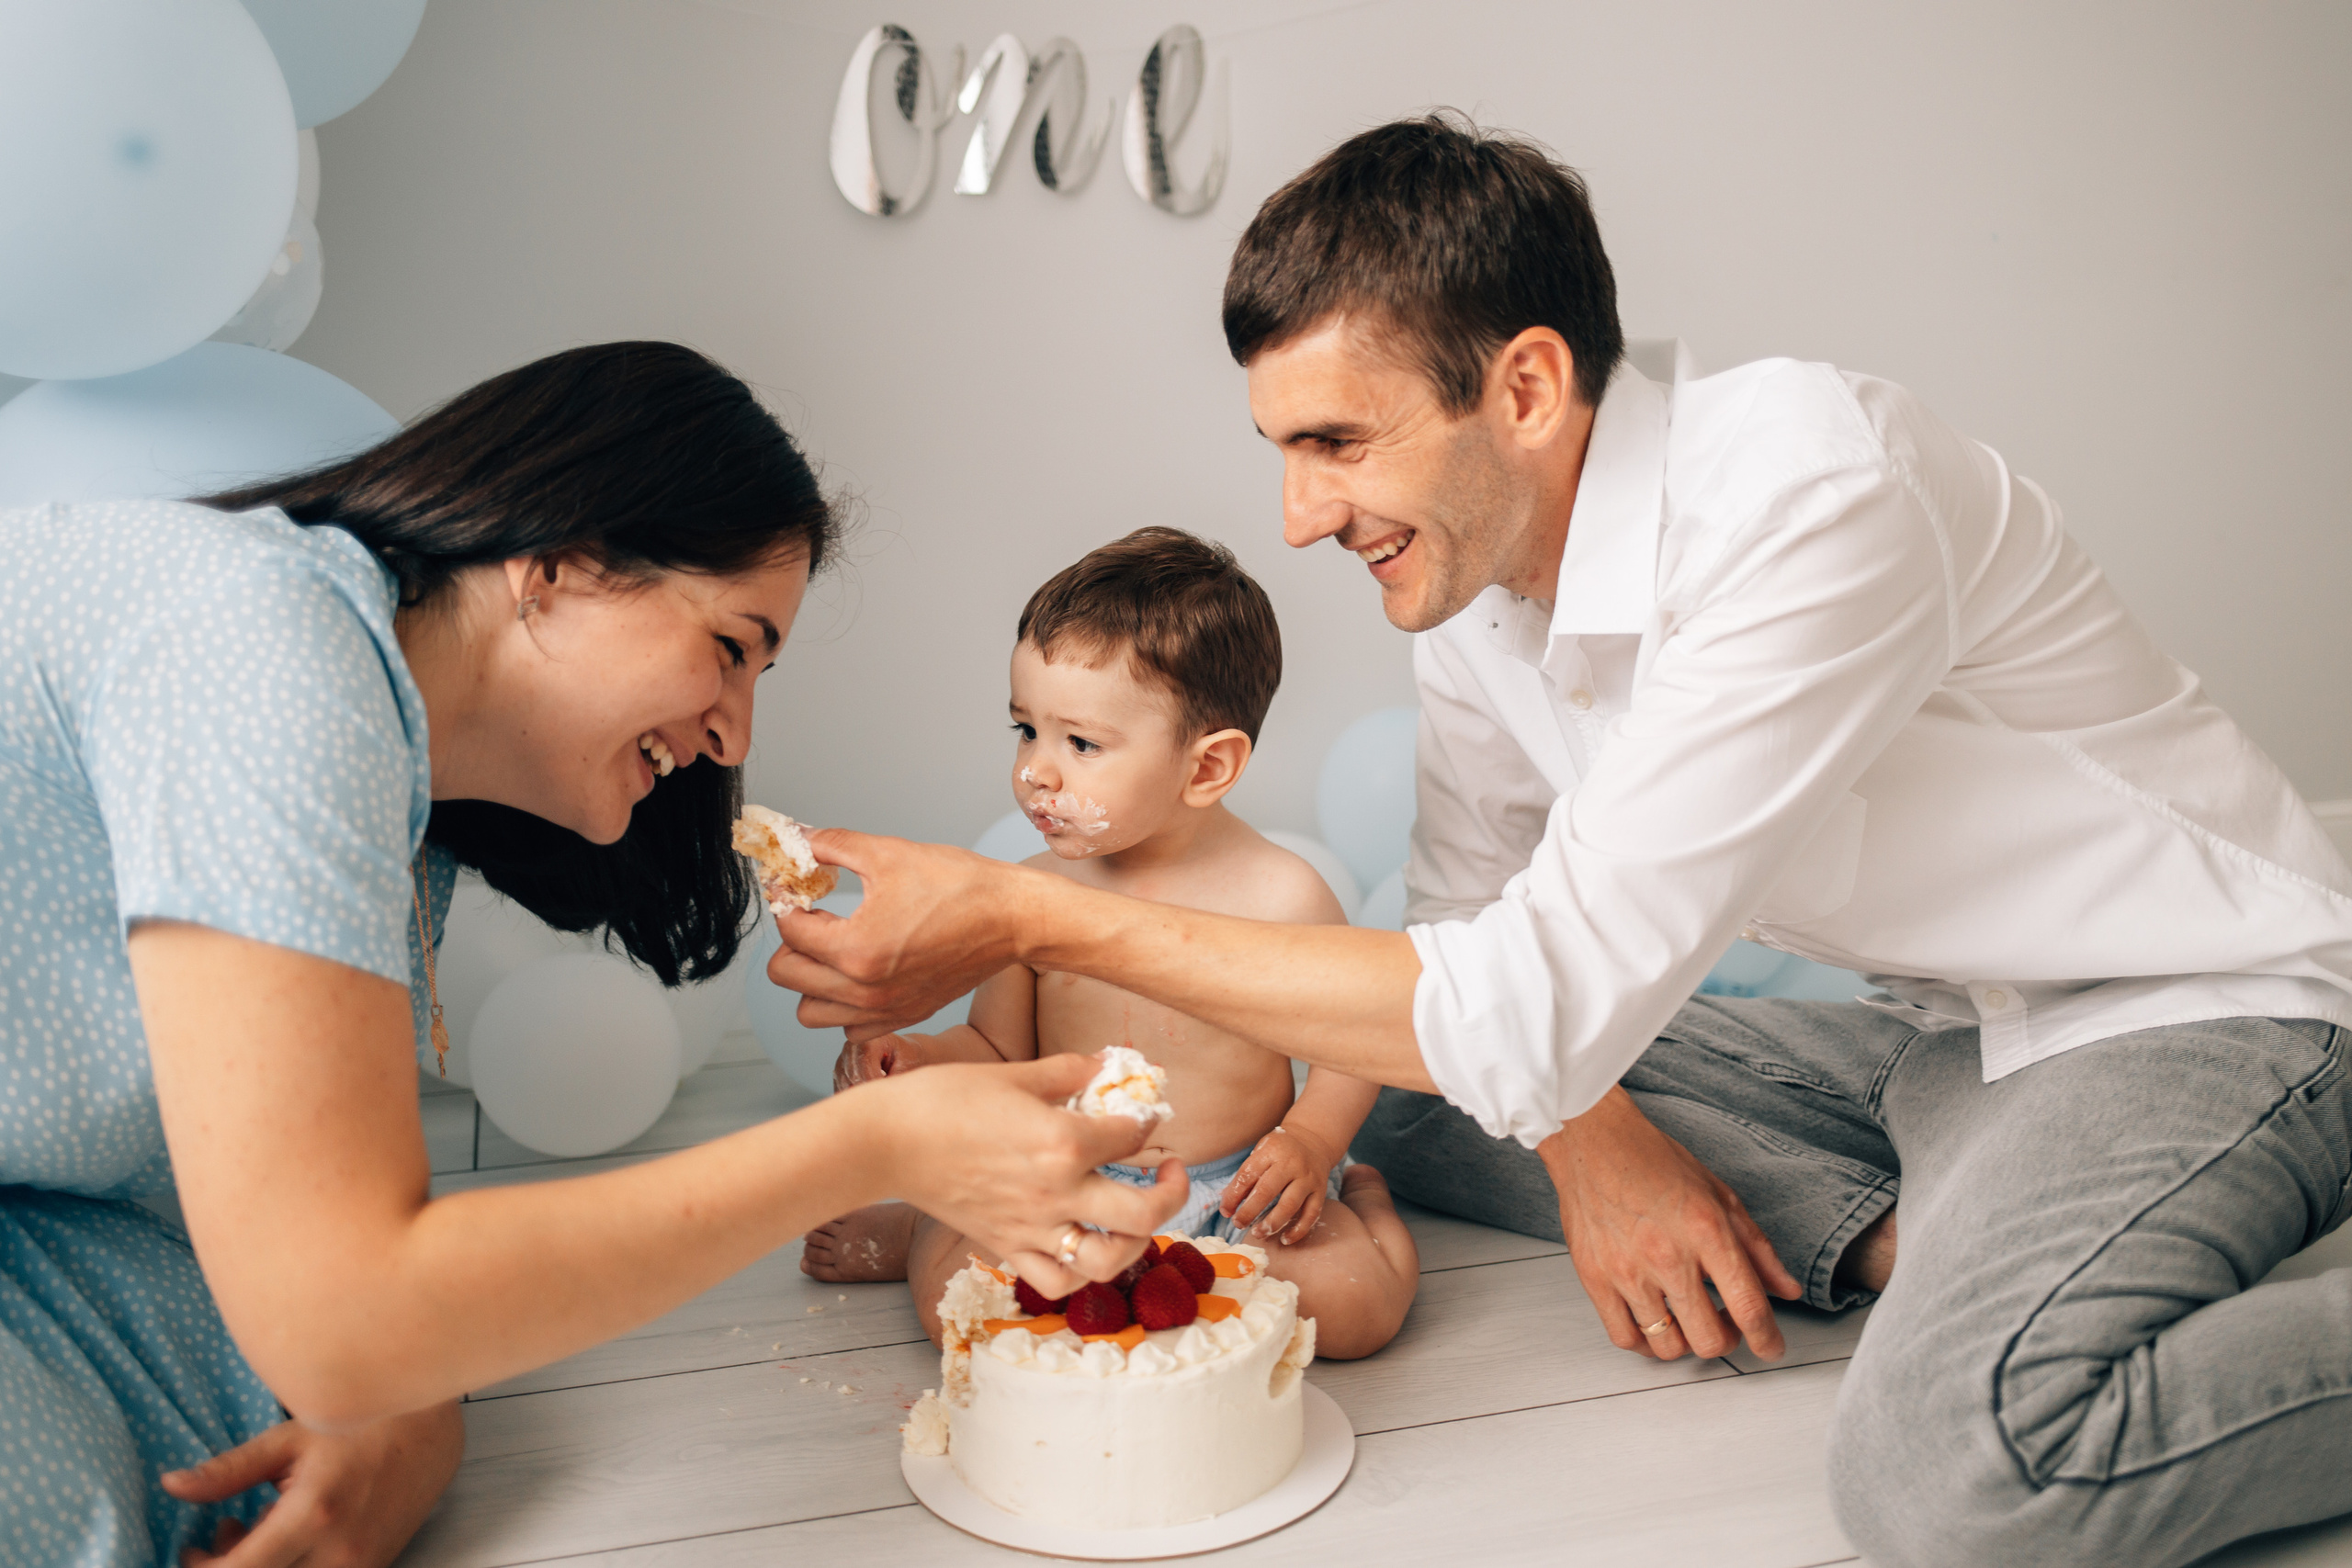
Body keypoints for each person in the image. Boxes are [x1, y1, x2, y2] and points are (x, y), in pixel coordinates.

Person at [766, 118, 2352, 1567]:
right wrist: (1599, 1155)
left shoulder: (1811, 488)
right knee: (1373, 1111)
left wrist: (1031, 917)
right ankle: (1914, 1237)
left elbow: (1515, 1004)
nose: (1302, 515)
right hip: (1943, 1041)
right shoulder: (1475, 597)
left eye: (1337, 442)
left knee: (1957, 1474)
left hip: (2191, 1015)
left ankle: (1987, 1243)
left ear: (1524, 388)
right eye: (1284, 451)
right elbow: (1467, 936)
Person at [0, 342, 1182, 1568]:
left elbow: (284, 1228)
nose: (738, 729)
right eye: (733, 644)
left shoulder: (389, 804)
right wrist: (874, 1143)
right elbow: (338, 1312)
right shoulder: (266, 652)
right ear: (557, 563)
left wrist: (411, 1408)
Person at [799, 527, 1419, 1357]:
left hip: (1236, 1191)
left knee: (1354, 1308)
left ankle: (1371, 1205)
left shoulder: (1280, 893)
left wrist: (1312, 1141)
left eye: (1080, 743)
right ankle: (926, 1220)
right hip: (1070, 1181)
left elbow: (1352, 1042)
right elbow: (996, 1046)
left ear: (1206, 768)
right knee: (958, 1305)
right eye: (1026, 730)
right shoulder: (1031, 898)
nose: (1036, 772)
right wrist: (916, 1057)